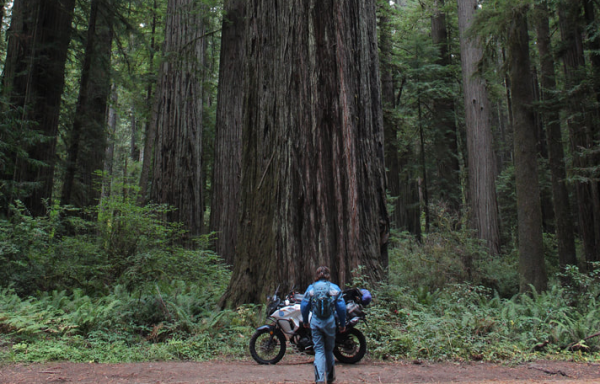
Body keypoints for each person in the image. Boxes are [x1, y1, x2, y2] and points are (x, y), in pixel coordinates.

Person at [301, 266, 346, 384]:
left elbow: (304, 306)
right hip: (330, 323)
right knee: (329, 350)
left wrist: (305, 321)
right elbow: (341, 307)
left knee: (319, 351)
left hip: (316, 323)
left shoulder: (311, 288)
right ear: (328, 275)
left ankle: (319, 379)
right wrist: (342, 323)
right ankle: (330, 378)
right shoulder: (334, 288)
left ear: (316, 276)